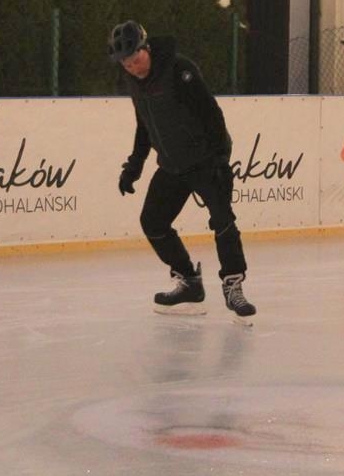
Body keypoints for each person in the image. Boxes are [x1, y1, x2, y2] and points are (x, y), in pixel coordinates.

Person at [109, 20, 256, 318]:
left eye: (136, 60)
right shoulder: (136, 82)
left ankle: (233, 285)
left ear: (146, 48)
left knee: (222, 219)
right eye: (127, 65)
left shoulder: (179, 71)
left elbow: (211, 113)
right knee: (153, 222)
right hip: (173, 165)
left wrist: (219, 159)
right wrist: (134, 167)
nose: (134, 68)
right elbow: (144, 126)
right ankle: (189, 281)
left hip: (205, 160)